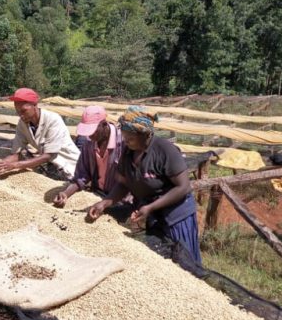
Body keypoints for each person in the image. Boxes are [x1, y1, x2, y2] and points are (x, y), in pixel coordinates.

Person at [86, 106, 202, 264]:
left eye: (130, 139)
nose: (126, 142)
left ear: (145, 135)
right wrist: (105, 202)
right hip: (152, 214)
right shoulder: (128, 153)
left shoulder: (164, 150)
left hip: (176, 216)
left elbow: (183, 187)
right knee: (161, 260)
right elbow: (123, 184)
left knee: (183, 260)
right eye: (125, 138)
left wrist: (151, 207)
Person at [0, 88, 80, 180]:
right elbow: (16, 154)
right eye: (18, 112)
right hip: (53, 166)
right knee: (24, 154)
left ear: (34, 105)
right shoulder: (23, 123)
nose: (21, 115)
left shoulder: (53, 120)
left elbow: (49, 155)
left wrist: (14, 165)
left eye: (23, 111)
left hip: (71, 167)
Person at [53, 105, 123, 207]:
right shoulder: (89, 142)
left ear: (104, 124)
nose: (89, 135)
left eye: (93, 130)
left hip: (120, 200)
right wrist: (66, 193)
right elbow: (82, 176)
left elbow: (130, 182)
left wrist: (106, 203)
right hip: (97, 194)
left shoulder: (123, 142)